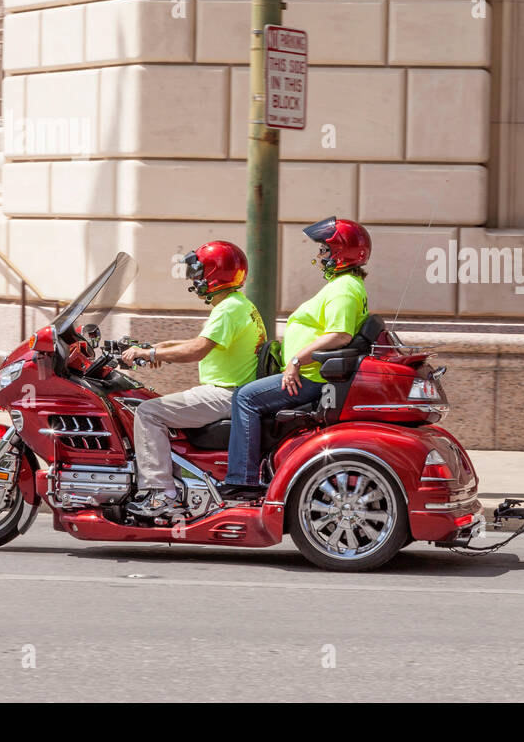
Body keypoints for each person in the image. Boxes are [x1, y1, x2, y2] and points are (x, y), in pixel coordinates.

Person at [221, 217, 370, 498]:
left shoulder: (344, 288)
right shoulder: (347, 285)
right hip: (310, 374)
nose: (319, 256)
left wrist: (296, 361)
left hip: (310, 377)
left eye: (324, 250)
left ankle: (243, 480)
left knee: (245, 397)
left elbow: (339, 335)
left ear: (340, 253)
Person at [122, 240, 265, 519]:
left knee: (148, 412)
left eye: (199, 273)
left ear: (214, 274)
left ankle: (160, 495)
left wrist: (149, 353)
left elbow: (197, 349)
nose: (195, 280)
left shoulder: (227, 310)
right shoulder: (239, 305)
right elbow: (199, 341)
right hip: (232, 391)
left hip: (223, 394)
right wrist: (156, 349)